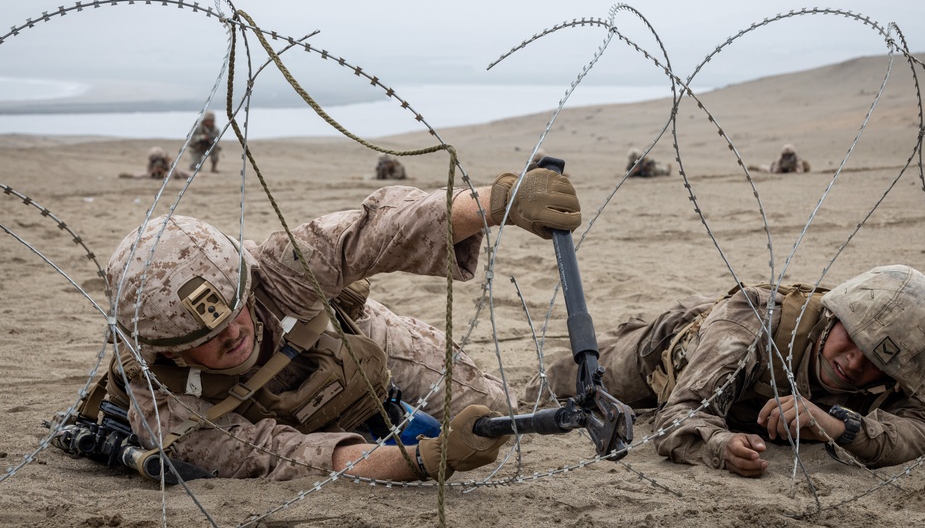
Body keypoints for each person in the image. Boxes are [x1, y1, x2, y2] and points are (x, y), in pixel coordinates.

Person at [101, 167, 581, 481]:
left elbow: (373, 233)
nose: (234, 333)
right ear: (169, 352)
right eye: (207, 337)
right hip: (282, 422)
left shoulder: (274, 268)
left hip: (348, 341)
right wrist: (420, 462)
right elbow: (285, 458)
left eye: (235, 311)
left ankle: (556, 379)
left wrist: (499, 202)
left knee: (497, 410)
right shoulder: (167, 412)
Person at [527, 265, 925, 477]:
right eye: (852, 340)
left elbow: (923, 434)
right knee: (569, 384)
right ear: (833, 317)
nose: (853, 362)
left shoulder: (899, 358)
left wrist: (841, 427)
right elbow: (679, 412)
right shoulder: (753, 321)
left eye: (874, 359)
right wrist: (720, 444)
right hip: (662, 358)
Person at [119, 146, 191, 180]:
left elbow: (172, 176)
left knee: (191, 175)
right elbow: (147, 173)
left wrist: (163, 173)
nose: (157, 162)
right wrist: (153, 173)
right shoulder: (151, 164)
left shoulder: (169, 163)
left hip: (178, 173)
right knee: (140, 174)